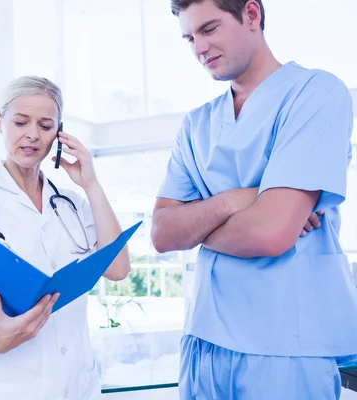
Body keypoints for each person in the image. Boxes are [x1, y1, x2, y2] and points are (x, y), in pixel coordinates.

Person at [151, 0, 357, 398]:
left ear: (251, 14)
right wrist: (235, 201)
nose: (199, 48)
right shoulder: (196, 125)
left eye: (208, 29)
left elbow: (269, 235)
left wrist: (194, 224)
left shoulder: (315, 94)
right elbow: (162, 235)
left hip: (284, 347)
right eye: (189, 37)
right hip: (203, 341)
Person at [0, 75, 130, 399]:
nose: (33, 135)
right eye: (20, 122)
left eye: (46, 125)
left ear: (59, 133)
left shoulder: (74, 202)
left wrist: (91, 185)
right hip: (9, 385)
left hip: (77, 383)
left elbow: (118, 269)